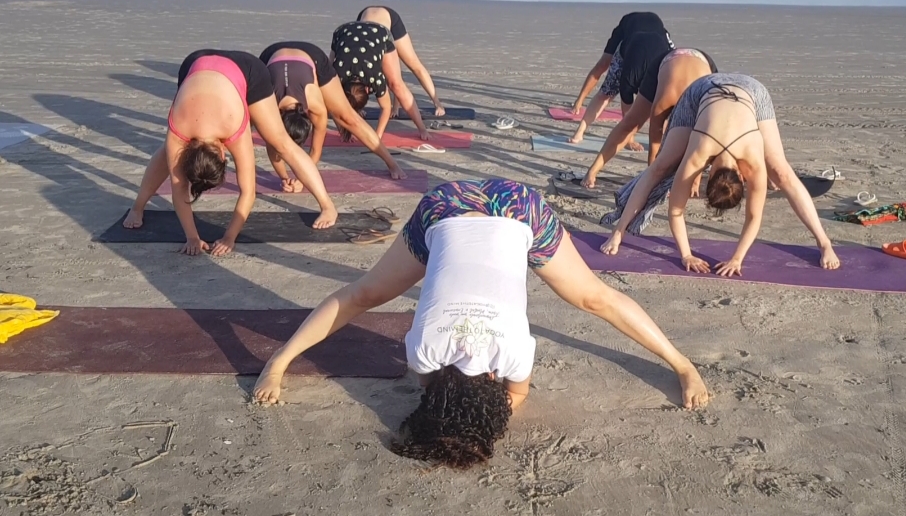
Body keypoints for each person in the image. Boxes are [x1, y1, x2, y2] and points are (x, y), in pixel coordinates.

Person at [252, 178, 711, 468]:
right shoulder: (424, 353)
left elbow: (518, 394)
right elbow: (450, 388)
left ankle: (682, 365)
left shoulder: (510, 354)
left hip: (486, 209)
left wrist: (484, 420)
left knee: (596, 297)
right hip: (471, 205)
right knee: (595, 298)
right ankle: (682, 363)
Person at [598, 73, 841, 274]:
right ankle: (618, 231)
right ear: (705, 174)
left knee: (781, 171)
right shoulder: (697, 155)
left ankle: (824, 242)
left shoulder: (754, 161)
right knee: (660, 167)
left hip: (751, 94)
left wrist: (738, 259)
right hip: (702, 92)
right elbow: (676, 211)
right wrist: (686, 255)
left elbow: (754, 217)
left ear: (740, 176)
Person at [122, 49, 339, 255]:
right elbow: (179, 188)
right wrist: (192, 237)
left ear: (224, 154)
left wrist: (230, 237)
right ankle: (138, 206)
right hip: (194, 65)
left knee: (281, 141)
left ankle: (328, 206)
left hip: (246, 69)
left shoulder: (233, 126)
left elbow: (248, 191)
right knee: (168, 153)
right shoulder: (180, 130)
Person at [259, 41, 407, 189]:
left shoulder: (317, 108)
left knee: (348, 118)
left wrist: (302, 178)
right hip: (270, 55)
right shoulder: (266, 106)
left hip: (312, 56)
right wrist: (285, 179)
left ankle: (392, 163)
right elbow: (272, 146)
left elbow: (316, 150)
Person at [580, 46, 717, 190]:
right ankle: (593, 170)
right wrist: (652, 181)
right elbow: (654, 147)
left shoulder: (702, 102)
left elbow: (703, 141)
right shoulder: (663, 103)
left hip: (704, 64)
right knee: (630, 123)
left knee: (713, 134)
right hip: (666, 62)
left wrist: (695, 181)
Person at [568, 12, 673, 144]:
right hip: (628, 30)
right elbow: (626, 100)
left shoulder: (667, 66)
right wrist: (629, 137)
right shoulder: (629, 75)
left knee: (665, 99)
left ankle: (666, 138)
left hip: (656, 31)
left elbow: (667, 104)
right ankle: (580, 128)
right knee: (605, 87)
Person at [329, 21, 429, 141]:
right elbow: (333, 108)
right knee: (328, 74)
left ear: (367, 89)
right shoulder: (335, 78)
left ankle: (422, 128)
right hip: (342, 33)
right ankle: (355, 110)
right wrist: (344, 132)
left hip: (378, 33)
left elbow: (386, 108)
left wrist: (377, 136)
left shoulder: (374, 77)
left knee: (396, 84)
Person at [357, 6, 446, 117]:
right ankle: (357, 107)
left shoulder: (383, 49)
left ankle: (437, 103)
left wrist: (395, 108)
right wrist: (357, 109)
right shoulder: (359, 60)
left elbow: (396, 79)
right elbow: (355, 84)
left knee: (414, 65)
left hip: (388, 18)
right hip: (365, 16)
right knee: (359, 77)